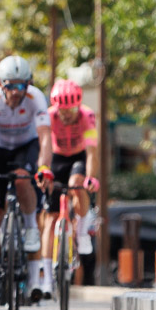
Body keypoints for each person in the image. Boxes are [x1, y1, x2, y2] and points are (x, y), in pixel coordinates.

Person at [0, 56, 53, 304]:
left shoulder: (36, 98)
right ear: (0, 84)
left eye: (22, 86)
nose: (16, 92)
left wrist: (44, 167)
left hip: (25, 146)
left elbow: (45, 138)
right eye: (11, 86)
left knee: (21, 179)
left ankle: (30, 227)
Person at [44, 79, 99, 288]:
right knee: (50, 219)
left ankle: (83, 231)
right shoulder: (48, 117)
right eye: (62, 110)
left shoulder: (87, 116)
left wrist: (91, 178)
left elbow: (92, 152)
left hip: (78, 158)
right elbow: (43, 147)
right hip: (57, 159)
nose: (66, 114)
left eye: (71, 109)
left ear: (78, 105)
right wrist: (43, 170)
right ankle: (47, 279)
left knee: (77, 182)